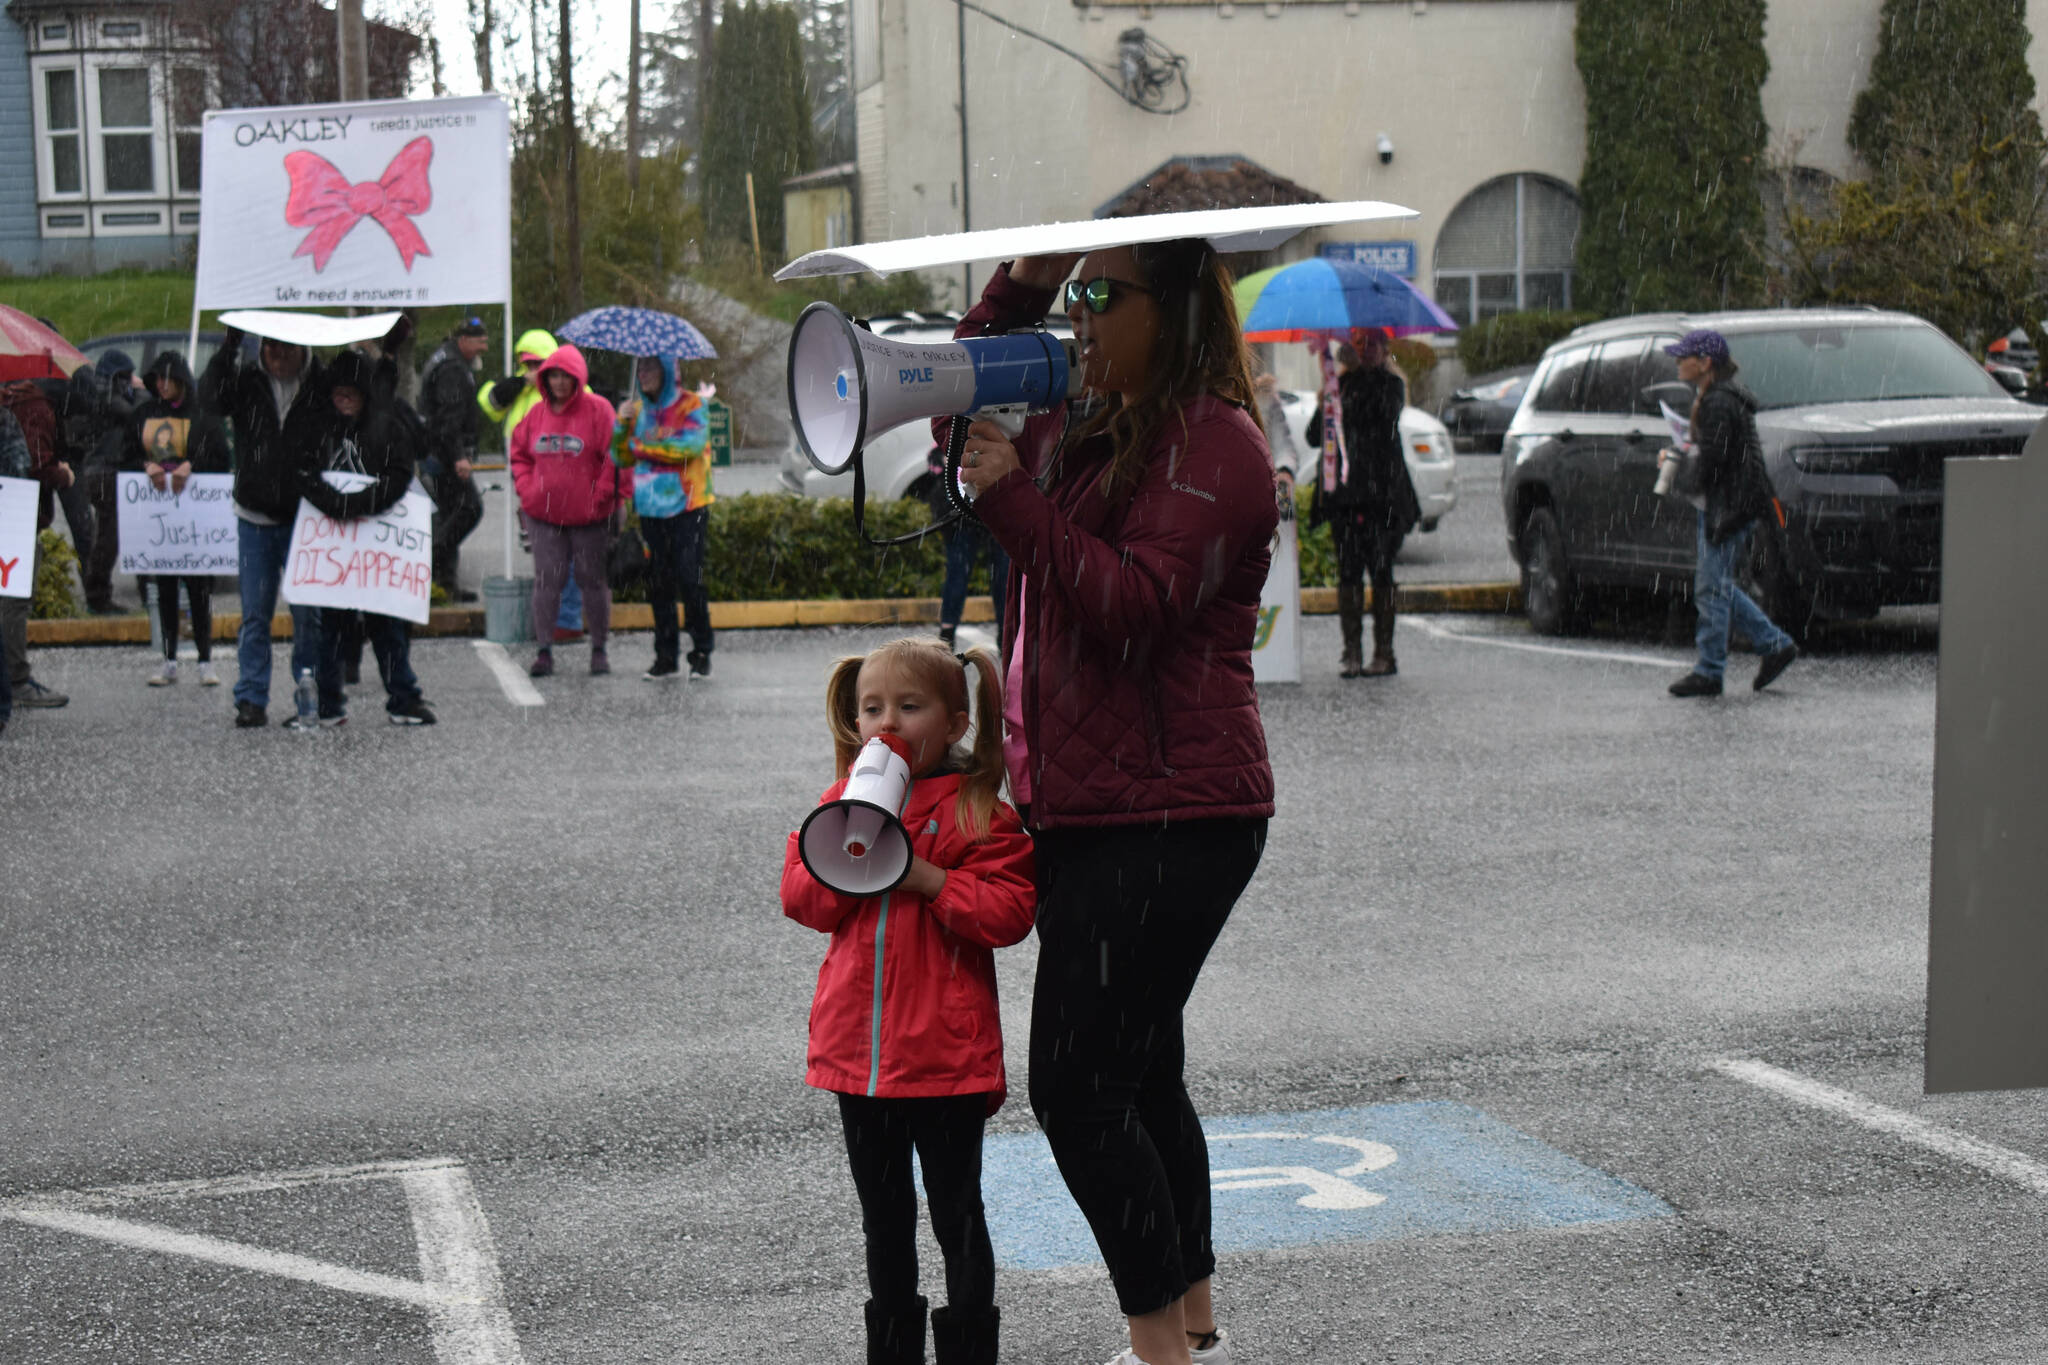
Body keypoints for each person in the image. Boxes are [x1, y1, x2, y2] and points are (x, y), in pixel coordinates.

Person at [952, 240, 1278, 1365]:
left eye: (1103, 294)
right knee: (1139, 1074)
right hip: (1103, 806)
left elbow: (1133, 606)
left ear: (1175, 307)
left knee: (1079, 1090)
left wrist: (1011, 506)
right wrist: (1026, 284)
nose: (1082, 317)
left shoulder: (1216, 445)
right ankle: (1188, 1325)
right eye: (1076, 295)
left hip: (1169, 816)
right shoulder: (1095, 421)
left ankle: (1155, 1351)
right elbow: (961, 384)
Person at [779, 636, 1036, 1365]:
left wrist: (928, 878)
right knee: (884, 1221)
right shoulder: (840, 803)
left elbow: (1010, 910)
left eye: (910, 706)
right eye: (873, 708)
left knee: (958, 1213)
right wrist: (847, 842)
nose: (887, 721)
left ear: (956, 723)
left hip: (945, 1061)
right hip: (858, 1061)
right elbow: (800, 897)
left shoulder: (974, 807)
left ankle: (969, 1350)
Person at [291, 350, 437, 727]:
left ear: (364, 393)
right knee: (333, 629)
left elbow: (401, 473)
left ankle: (403, 698)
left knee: (386, 627)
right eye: (338, 392)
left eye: (350, 392)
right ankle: (329, 703)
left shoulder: (387, 426)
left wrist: (359, 503)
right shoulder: (318, 425)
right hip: (335, 544)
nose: (343, 398)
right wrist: (335, 504)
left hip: (376, 544)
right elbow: (301, 469)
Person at [1660, 328, 1799, 698]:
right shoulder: (1719, 397)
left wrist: (1680, 476)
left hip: (1729, 507)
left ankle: (1710, 671)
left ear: (1704, 363)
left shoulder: (1718, 402)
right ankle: (1774, 644)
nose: (1677, 363)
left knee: (1711, 588)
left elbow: (1715, 461)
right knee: (1716, 586)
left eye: (1683, 357)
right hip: (1735, 503)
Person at [203, 323, 330, 728]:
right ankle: (251, 697)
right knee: (255, 614)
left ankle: (309, 691)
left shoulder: (322, 382)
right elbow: (209, 398)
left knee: (308, 615)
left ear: (302, 346)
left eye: (285, 344)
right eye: (269, 343)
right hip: (255, 518)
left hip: (305, 517)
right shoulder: (245, 379)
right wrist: (229, 346)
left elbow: (361, 404)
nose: (276, 352)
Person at [1304, 329, 1420, 678]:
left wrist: (1342, 394)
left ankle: (1385, 652)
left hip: (1383, 497)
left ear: (1384, 350)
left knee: (1382, 573)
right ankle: (1351, 652)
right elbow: (1314, 436)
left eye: (1373, 345)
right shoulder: (1340, 386)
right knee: (1349, 573)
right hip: (1347, 497)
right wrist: (1326, 397)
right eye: (1360, 345)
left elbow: (1379, 418)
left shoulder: (1391, 385)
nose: (1366, 351)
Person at [508, 344, 620, 678]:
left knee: (592, 581)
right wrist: (528, 491)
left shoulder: (598, 410)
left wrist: (600, 497)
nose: (558, 382)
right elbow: (520, 454)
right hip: (544, 516)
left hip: (590, 517)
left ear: (577, 377)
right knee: (547, 582)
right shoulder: (536, 415)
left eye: (565, 376)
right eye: (553, 375)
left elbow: (615, 457)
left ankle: (598, 647)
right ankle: (544, 649)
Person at [124, 352, 229, 687]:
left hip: (195, 520)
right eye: (158, 379)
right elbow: (125, 454)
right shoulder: (144, 415)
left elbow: (221, 459)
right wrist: (146, 466)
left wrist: (192, 466)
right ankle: (169, 658)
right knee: (166, 589)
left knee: (199, 591)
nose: (163, 385)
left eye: (169, 379)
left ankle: (204, 659)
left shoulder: (202, 416)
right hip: (161, 520)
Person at [611, 356, 717, 681]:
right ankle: (665, 656)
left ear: (668, 372)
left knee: (690, 579)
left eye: (651, 368)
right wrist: (621, 425)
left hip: (688, 507)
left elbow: (689, 447)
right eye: (640, 369)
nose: (643, 375)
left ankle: (701, 652)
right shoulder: (637, 411)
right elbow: (620, 456)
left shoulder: (693, 405)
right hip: (651, 509)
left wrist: (641, 445)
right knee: (659, 584)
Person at [479, 328, 583, 641]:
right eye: (528, 364)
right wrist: (520, 382)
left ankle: (566, 619)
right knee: (544, 552)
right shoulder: (521, 390)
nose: (534, 370)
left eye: (539, 364)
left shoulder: (572, 388)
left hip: (565, 481)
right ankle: (554, 618)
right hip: (531, 484)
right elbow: (489, 402)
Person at [0, 380, 73, 711]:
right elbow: (27, 465)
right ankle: (15, 679)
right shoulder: (30, 407)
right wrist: (62, 474)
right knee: (13, 600)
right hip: (13, 517)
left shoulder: (13, 405)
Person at [417, 317, 489, 601]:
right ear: (463, 340)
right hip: (444, 456)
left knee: (449, 514)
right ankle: (432, 561)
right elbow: (448, 420)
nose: (482, 350)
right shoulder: (452, 369)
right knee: (469, 509)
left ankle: (445, 584)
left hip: (437, 452)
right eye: (479, 343)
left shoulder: (445, 358)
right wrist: (459, 456)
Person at [72, 349, 141, 614]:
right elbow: (131, 413)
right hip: (105, 472)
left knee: (106, 535)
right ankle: (98, 595)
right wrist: (141, 392)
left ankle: (98, 593)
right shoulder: (108, 395)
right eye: (126, 376)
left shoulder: (99, 392)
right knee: (108, 537)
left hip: (99, 471)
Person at [925, 444, 1009, 650]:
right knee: (959, 575)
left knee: (1003, 577)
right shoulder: (955, 424)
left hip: (996, 507)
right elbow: (934, 461)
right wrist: (948, 460)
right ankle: (948, 634)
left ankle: (1005, 633)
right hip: (963, 513)